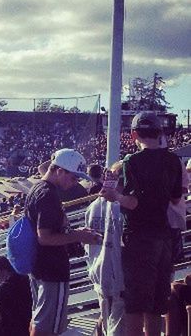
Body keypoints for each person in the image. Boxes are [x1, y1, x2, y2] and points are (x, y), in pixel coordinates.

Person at [100, 112, 183, 336]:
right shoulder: (173, 160)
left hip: (138, 239)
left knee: (135, 304)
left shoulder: (131, 162)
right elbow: (176, 199)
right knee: (156, 304)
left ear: (134, 134)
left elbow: (133, 202)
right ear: (160, 132)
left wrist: (114, 196)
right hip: (164, 238)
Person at [25, 148, 102, 336]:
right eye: (74, 177)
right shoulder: (48, 195)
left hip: (40, 266)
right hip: (52, 269)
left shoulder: (38, 188)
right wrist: (80, 236)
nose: (75, 182)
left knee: (39, 318)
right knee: (48, 325)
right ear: (60, 171)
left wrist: (75, 232)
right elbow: (45, 237)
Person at [85, 163, 125, 336]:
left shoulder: (93, 206)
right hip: (119, 274)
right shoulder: (121, 207)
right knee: (118, 325)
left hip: (99, 271)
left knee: (107, 319)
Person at [0, 255, 32, 336]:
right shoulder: (26, 279)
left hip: (15, 330)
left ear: (0, 271)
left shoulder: (1, 291)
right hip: (32, 323)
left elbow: (0, 315)